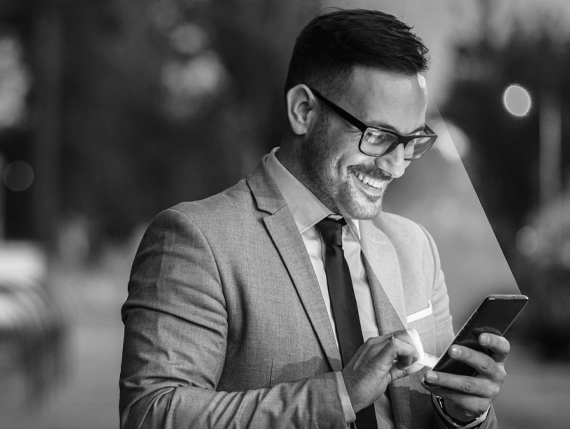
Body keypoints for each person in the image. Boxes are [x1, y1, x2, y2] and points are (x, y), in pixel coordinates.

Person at [119, 9, 510, 429]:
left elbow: (433, 413)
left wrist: (463, 414)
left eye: (412, 141)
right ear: (303, 110)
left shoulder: (416, 249)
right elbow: (153, 415)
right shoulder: (196, 239)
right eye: (378, 137)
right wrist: (340, 394)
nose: (397, 166)